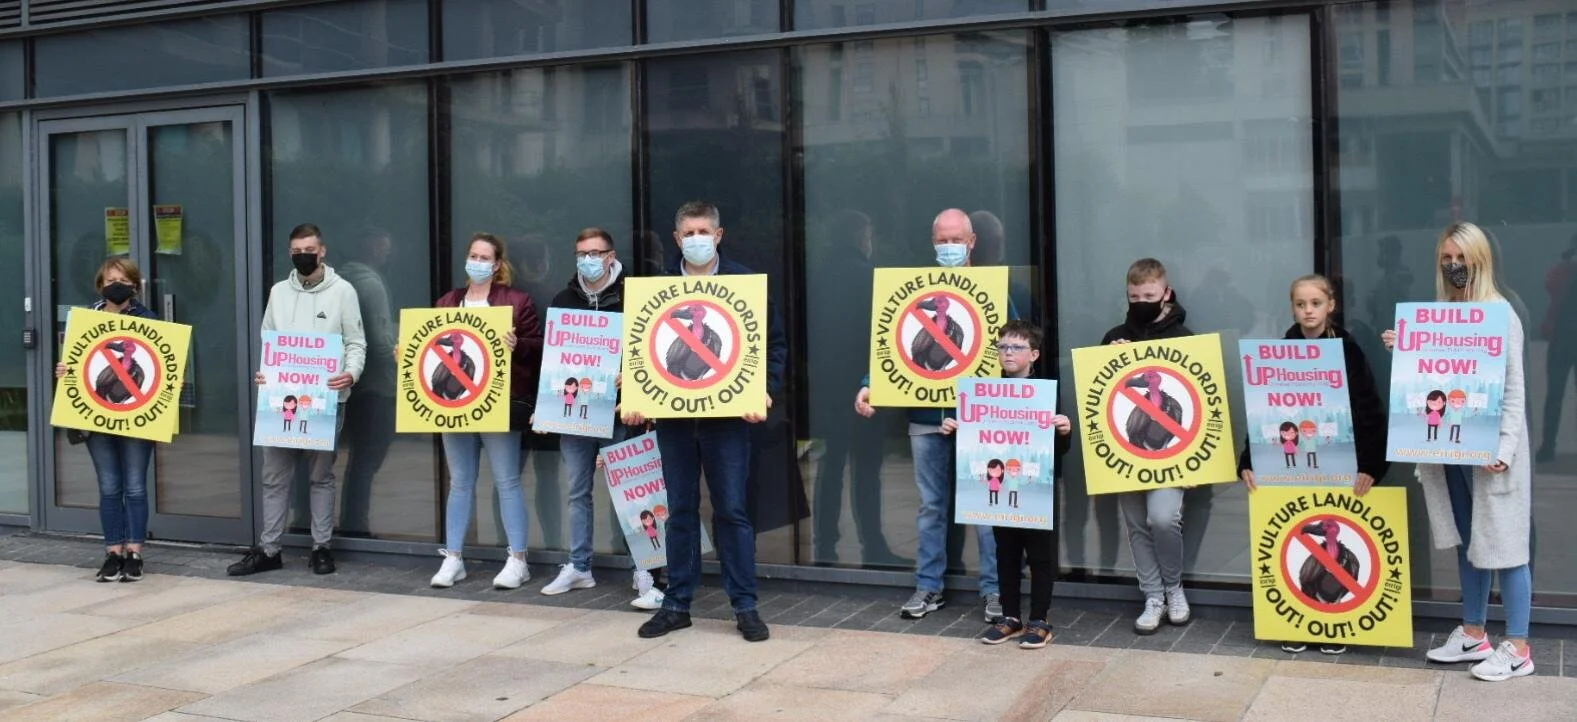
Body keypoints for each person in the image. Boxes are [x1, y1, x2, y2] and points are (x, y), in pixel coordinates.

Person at [624, 201, 787, 643]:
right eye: (688, 232)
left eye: (704, 231)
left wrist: (764, 389)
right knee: (679, 512)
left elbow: (773, 347)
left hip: (728, 420)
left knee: (732, 511)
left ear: (718, 235)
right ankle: (676, 604)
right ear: (677, 240)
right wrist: (634, 394)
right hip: (674, 422)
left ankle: (745, 605)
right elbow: (639, 353)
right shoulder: (656, 290)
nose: (696, 238)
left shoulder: (744, 284)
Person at [1383, 222, 1534, 682]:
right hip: (1450, 448)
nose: (1453, 265)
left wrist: (1505, 449)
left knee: (1505, 547)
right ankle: (1474, 633)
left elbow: (1513, 390)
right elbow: (1434, 379)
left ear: (1480, 260)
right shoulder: (1442, 312)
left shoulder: (1500, 313)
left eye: (1461, 258)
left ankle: (1520, 647)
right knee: (1470, 544)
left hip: (1489, 453)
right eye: (1446, 258)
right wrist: (1405, 350)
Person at [854, 209, 1004, 624]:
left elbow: (1012, 348)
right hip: (925, 416)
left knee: (986, 509)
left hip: (979, 419)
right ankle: (929, 587)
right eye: (942, 241)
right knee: (931, 506)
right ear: (932, 242)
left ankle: (995, 591)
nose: (949, 247)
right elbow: (891, 344)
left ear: (972, 242)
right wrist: (870, 384)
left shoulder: (993, 290)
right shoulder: (911, 293)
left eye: (956, 240)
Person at [1239, 273, 1389, 655]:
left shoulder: (1349, 350)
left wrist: (1371, 464)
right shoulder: (1279, 352)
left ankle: (1333, 623)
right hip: (1291, 468)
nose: (1308, 310)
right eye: (1301, 304)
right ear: (1293, 307)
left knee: (1337, 542)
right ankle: (1297, 620)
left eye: (1316, 303)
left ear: (1331, 306)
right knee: (1297, 541)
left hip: (1341, 464)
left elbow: (1370, 410)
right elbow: (1264, 410)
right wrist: (1248, 459)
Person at [534, 227, 665, 610]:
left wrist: (631, 374)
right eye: (581, 253)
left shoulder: (633, 295)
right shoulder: (563, 298)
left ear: (611, 255)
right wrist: (546, 408)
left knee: (632, 493)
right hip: (575, 413)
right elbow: (555, 357)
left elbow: (650, 350)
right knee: (577, 491)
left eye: (594, 252)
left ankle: (647, 572)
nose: (587, 260)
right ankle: (579, 565)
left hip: (622, 410)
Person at [230, 224, 366, 576]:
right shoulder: (278, 292)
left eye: (308, 249)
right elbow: (268, 339)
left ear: (322, 251)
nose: (302, 255)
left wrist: (350, 373)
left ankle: (322, 548)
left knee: (321, 476)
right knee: (274, 476)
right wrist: (266, 373)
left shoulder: (343, 292)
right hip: (281, 399)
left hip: (326, 399)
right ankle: (270, 548)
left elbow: (356, 342)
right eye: (296, 250)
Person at [428, 232, 543, 590]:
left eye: (483, 257)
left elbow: (539, 346)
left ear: (496, 265)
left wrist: (517, 344)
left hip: (498, 402)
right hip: (454, 403)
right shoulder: (448, 302)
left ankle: (518, 560)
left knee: (507, 481)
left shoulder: (516, 301)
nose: (476, 262)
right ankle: (453, 558)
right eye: (472, 255)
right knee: (460, 483)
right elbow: (430, 346)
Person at [1100, 258, 1193, 634]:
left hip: (1172, 452)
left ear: (1165, 294)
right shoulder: (1113, 336)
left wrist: (1194, 463)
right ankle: (1152, 595)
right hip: (1127, 450)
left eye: (1149, 295)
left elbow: (1198, 402)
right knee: (1137, 523)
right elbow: (1101, 396)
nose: (1141, 301)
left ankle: (1174, 587)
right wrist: (1112, 358)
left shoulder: (1184, 339)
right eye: (1134, 295)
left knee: (1163, 518)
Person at [54, 258, 160, 582]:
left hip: (136, 416)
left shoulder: (148, 319)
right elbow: (74, 362)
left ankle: (135, 554)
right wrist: (63, 372)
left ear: (134, 285)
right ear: (101, 284)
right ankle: (113, 552)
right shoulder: (84, 320)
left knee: (136, 487)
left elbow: (159, 364)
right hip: (97, 414)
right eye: (111, 279)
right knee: (110, 487)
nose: (117, 284)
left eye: (123, 279)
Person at [967, 320, 1072, 650]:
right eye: (1002, 347)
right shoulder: (985, 393)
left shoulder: (1046, 393)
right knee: (1005, 552)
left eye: (1016, 347)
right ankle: (1010, 617)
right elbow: (976, 439)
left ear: (1034, 354)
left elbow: (1060, 448)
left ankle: (1039, 620)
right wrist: (956, 426)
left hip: (1035, 485)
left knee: (1040, 555)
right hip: (998, 487)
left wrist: (1064, 430)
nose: (1007, 352)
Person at [809, 209, 903, 568]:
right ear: (861, 238)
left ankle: (825, 546)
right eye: (868, 236)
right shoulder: (870, 278)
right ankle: (873, 546)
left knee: (831, 466)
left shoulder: (818, 277)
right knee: (866, 468)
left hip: (827, 386)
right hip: (866, 387)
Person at [336, 226, 398, 537]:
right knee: (367, 460)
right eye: (384, 245)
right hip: (376, 385)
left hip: (353, 384)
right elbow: (381, 340)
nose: (388, 251)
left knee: (356, 459)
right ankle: (355, 524)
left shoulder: (340, 279)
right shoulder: (370, 284)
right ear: (373, 247)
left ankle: (348, 521)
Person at [1537, 233, 1577, 463]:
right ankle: (1548, 445)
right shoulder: (1563, 270)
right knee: (1554, 395)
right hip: (1561, 337)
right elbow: (1550, 285)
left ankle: (1548, 446)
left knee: (1555, 395)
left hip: (1563, 338)